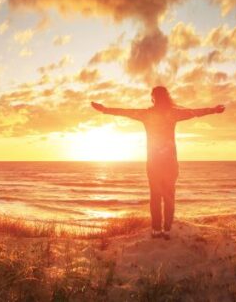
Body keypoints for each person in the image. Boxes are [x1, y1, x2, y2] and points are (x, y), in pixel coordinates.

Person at [90, 86, 224, 240]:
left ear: (153, 98)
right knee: (168, 197)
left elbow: (125, 112)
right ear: (166, 97)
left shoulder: (147, 114)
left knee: (155, 196)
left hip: (154, 163)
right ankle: (166, 231)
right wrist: (213, 109)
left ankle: (156, 230)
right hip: (169, 163)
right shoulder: (173, 113)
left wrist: (105, 109)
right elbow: (195, 112)